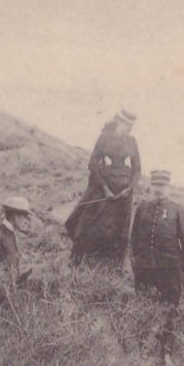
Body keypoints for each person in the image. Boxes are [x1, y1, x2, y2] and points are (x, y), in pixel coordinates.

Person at [66, 109, 141, 257]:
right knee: (87, 222)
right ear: (119, 122)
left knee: (119, 230)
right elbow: (93, 164)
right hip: (102, 188)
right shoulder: (104, 138)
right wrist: (105, 189)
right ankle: (81, 256)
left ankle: (112, 262)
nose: (129, 128)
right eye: (127, 124)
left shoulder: (132, 142)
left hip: (123, 194)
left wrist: (130, 188)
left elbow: (137, 169)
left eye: (131, 125)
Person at [131, 169, 184, 303]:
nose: (158, 189)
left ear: (168, 188)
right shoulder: (142, 208)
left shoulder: (177, 210)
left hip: (169, 270)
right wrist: (136, 261)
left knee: (169, 309)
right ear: (151, 187)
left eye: (162, 186)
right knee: (143, 305)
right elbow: (134, 237)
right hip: (144, 268)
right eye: (156, 185)